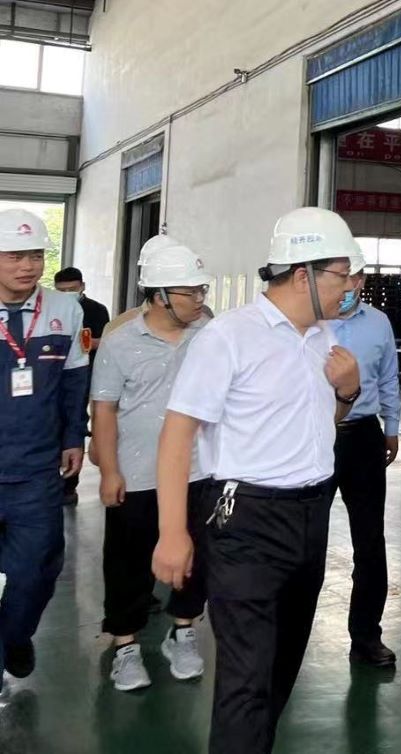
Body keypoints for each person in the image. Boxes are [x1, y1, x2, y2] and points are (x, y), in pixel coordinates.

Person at [152, 207, 361, 754]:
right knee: (245, 679)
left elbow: (320, 423)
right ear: (304, 274)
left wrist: (347, 391)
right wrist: (172, 532)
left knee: (280, 670)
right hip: (246, 520)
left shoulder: (324, 337)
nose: (350, 287)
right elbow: (177, 436)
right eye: (342, 275)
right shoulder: (229, 336)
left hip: (313, 516)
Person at [90, 237, 213, 692]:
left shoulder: (209, 337)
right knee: (128, 562)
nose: (199, 299)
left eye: (202, 290)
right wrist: (109, 471)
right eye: (190, 291)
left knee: (196, 559)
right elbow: (104, 410)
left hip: (198, 471)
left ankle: (183, 632)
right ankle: (125, 644)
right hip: (137, 473)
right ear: (159, 295)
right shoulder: (120, 343)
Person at [0, 208, 88, 688]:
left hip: (36, 470)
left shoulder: (64, 309)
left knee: (38, 570)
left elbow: (74, 380)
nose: (27, 266)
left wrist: (74, 436)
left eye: (35, 255)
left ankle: (15, 635)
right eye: (15, 256)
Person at [329, 257, 401, 668]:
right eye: (342, 276)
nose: (348, 285)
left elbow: (389, 377)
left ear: (361, 280)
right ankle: (285, 635)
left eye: (355, 276)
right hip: (316, 436)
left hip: (363, 436)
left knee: (370, 541)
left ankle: (367, 636)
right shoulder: (309, 322)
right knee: (304, 539)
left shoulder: (378, 323)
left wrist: (391, 428)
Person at [54, 266, 110, 505]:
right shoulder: (51, 309)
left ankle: (69, 485)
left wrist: (85, 343)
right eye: (62, 290)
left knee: (75, 422)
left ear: (82, 287)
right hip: (54, 376)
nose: (68, 294)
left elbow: (106, 340)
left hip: (85, 374)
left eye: (72, 289)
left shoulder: (97, 310)